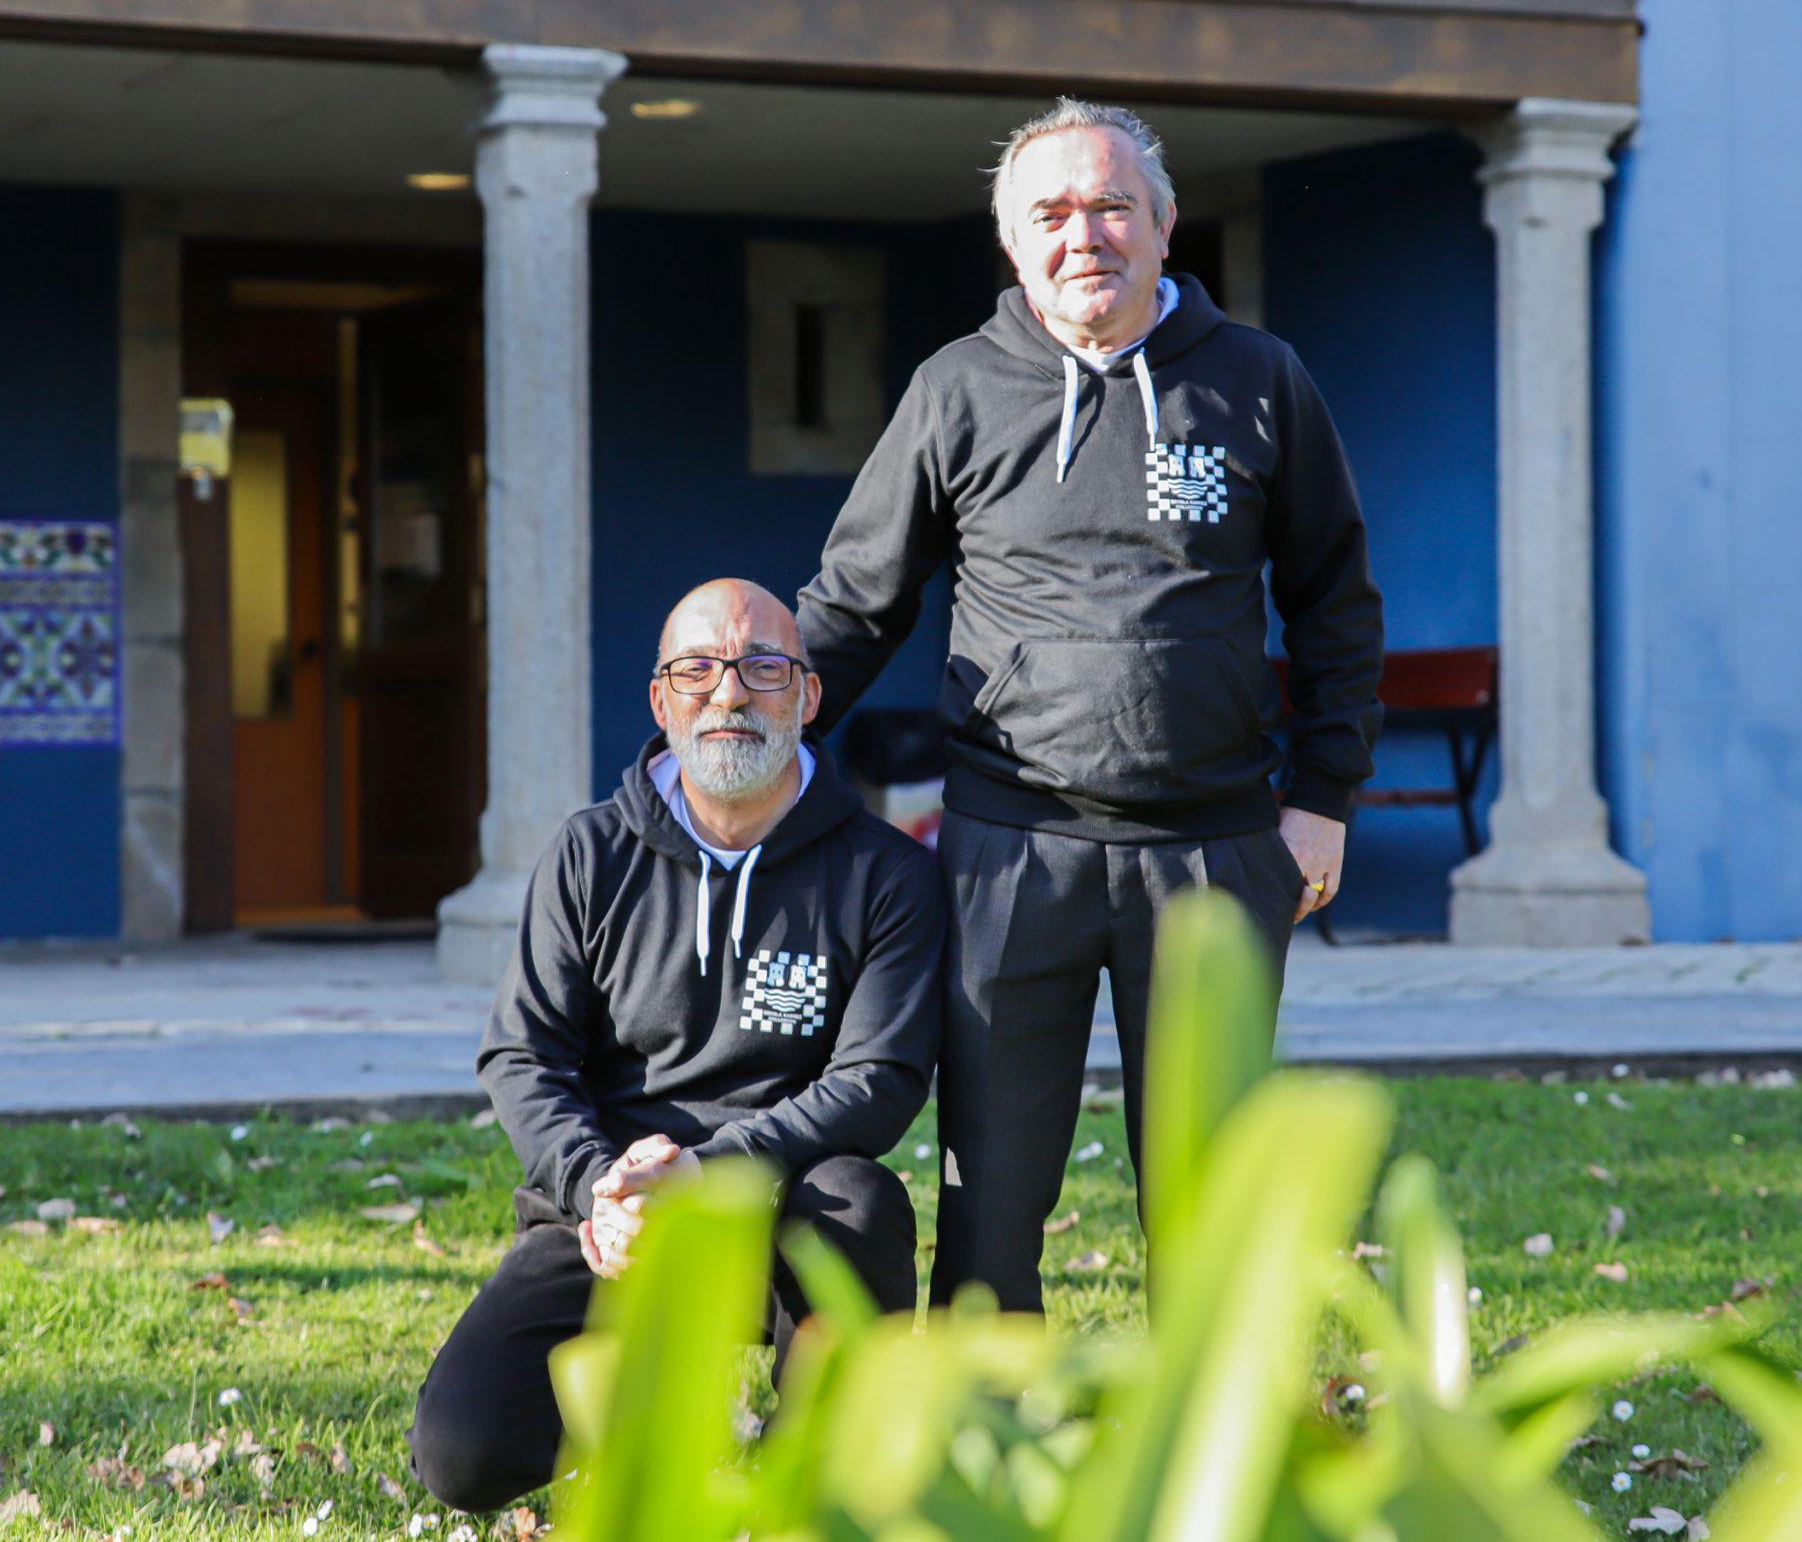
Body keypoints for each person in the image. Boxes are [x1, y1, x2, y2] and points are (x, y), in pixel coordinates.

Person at [797, 98, 1385, 1313]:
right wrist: (726, 746)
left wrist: (1321, 798)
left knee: (1210, 1193)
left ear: (1166, 225)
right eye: (1051, 213)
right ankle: (985, 1446)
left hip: (1216, 850)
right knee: (992, 1194)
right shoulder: (955, 390)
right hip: (1011, 851)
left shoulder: (1260, 381)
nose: (1086, 235)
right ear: (1012, 245)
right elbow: (856, 601)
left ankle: (1208, 1465)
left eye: (1114, 205)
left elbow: (1335, 598)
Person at [408, 579, 944, 1512]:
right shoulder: (589, 853)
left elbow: (880, 1078)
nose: (729, 692)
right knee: (464, 1456)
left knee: (863, 1202)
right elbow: (521, 1054)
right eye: (697, 668)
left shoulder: (885, 873)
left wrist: (711, 1167)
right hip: (614, 1214)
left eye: (762, 666)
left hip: (784, 1202)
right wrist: (595, 1188)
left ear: (807, 697)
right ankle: (625, 1435)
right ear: (662, 699)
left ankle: (804, 1480)